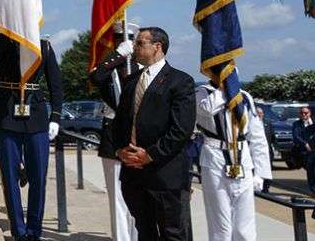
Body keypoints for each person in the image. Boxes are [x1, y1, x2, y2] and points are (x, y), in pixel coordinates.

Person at [112, 27, 196, 241]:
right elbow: (121, 122)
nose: (135, 48)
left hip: (165, 174)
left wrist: (149, 155)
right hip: (133, 174)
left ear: (157, 47)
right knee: (145, 231)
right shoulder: (131, 81)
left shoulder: (180, 81)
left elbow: (181, 130)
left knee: (173, 234)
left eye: (140, 43)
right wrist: (120, 150)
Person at [0, 34, 63, 241]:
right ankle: (18, 230)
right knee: (10, 177)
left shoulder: (43, 46)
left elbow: (55, 84)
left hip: (36, 115)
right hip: (7, 113)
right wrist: (9, 34)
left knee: (38, 177)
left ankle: (34, 231)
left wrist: (55, 116)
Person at [196, 83, 272, 240]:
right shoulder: (202, 93)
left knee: (244, 227)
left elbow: (257, 137)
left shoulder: (244, 97)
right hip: (214, 159)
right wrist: (225, 89)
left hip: (242, 158)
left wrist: (261, 173)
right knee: (220, 227)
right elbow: (207, 109)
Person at [89, 22, 139, 241]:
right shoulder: (107, 68)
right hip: (113, 135)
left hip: (138, 136)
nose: (124, 42)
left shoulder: (140, 67)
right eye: (119, 39)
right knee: (117, 197)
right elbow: (95, 78)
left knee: (138, 197)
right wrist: (117, 56)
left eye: (127, 38)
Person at [292, 107, 315, 193]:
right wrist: (305, 144)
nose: (304, 115)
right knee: (310, 171)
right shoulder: (296, 124)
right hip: (306, 152)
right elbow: (296, 136)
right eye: (302, 113)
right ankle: (313, 190)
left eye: (306, 113)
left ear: (310, 113)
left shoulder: (313, 122)